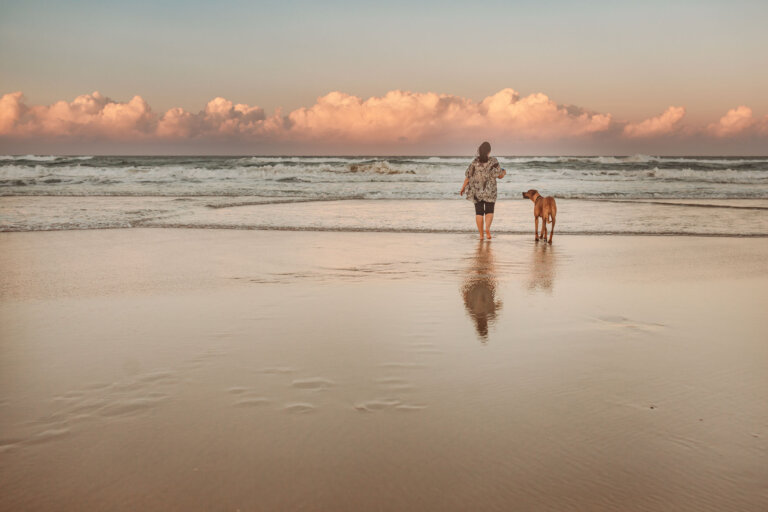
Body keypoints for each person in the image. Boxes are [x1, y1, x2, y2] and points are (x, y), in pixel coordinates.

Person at [459, 141, 506, 239]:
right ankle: (487, 229)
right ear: (489, 151)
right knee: (489, 210)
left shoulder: (474, 162)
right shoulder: (494, 161)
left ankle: (481, 235)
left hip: (477, 191)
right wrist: (504, 172)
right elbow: (499, 175)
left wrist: (463, 187)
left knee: (479, 212)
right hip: (490, 191)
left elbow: (468, 176)